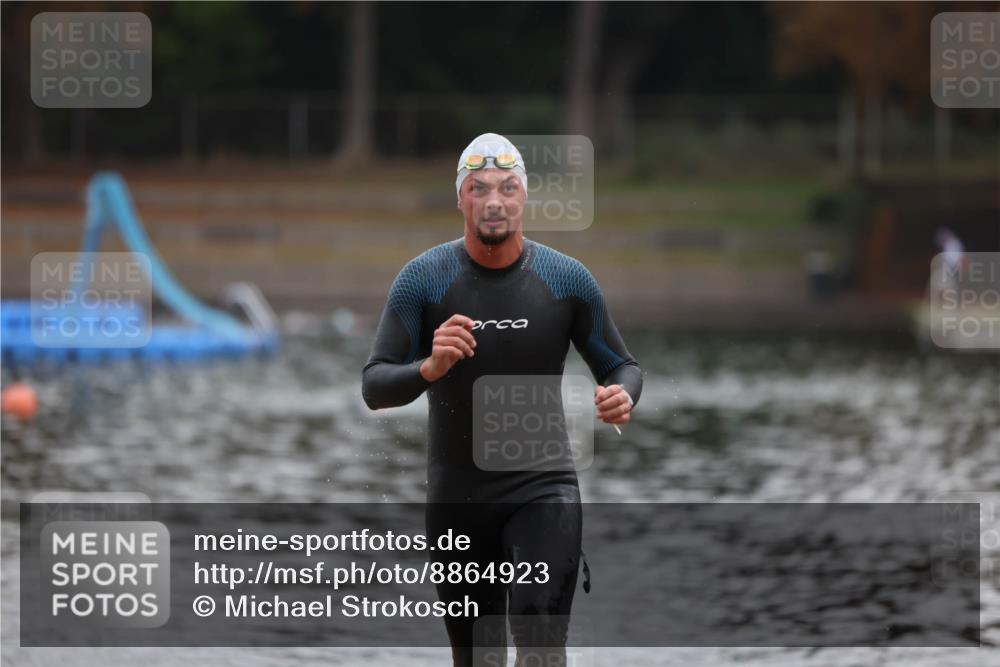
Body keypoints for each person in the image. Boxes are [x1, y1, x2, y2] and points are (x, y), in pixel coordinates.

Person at [362, 133, 643, 666]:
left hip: (544, 488)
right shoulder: (422, 281)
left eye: (508, 187)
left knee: (540, 645)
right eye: (480, 188)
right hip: (457, 500)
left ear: (524, 197)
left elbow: (621, 366)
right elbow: (374, 386)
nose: (495, 200)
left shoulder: (566, 280)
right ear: (461, 199)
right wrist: (430, 366)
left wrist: (621, 396)